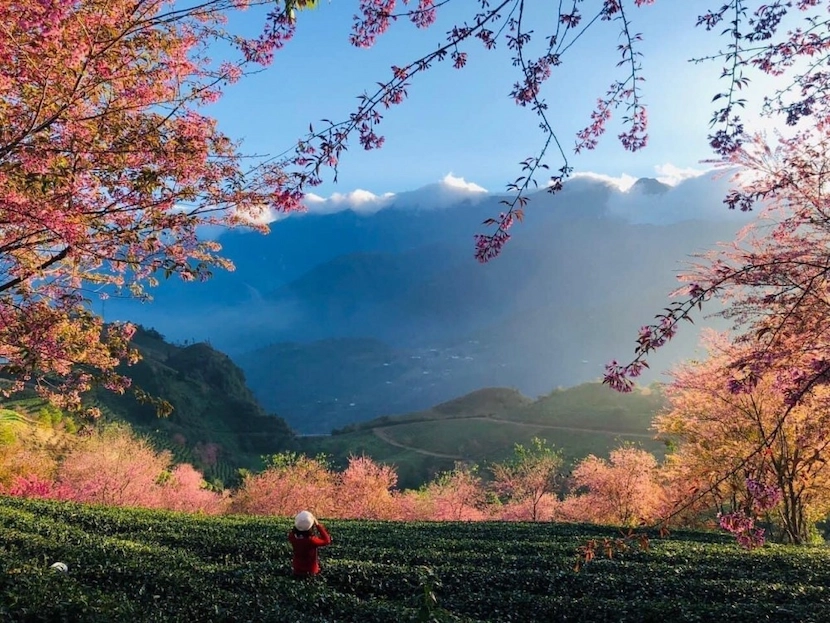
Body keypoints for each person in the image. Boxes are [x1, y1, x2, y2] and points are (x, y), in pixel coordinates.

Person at [288, 510, 331, 578]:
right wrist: (318, 525)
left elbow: (293, 532)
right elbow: (327, 540)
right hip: (311, 571)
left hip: (297, 570)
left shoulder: (293, 538)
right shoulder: (312, 541)